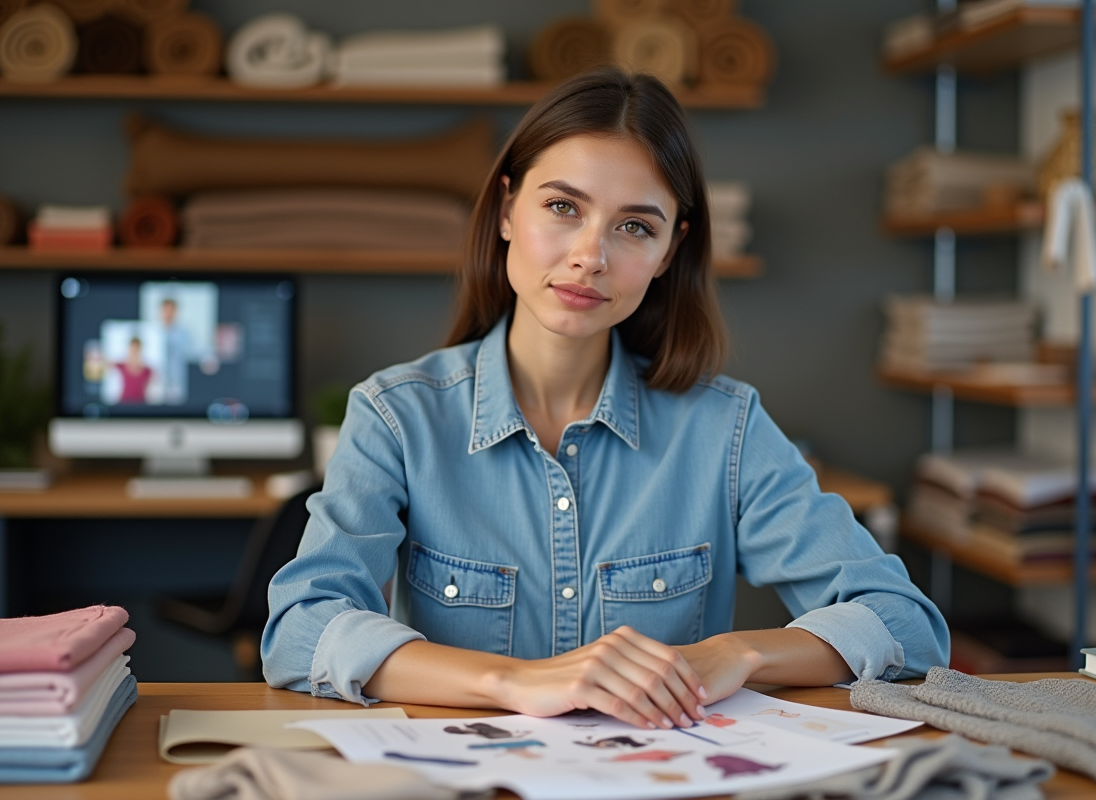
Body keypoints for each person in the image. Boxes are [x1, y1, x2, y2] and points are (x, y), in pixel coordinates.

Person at [262, 68, 948, 731]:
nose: (591, 255)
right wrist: (512, 680)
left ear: (669, 251)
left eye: (635, 227)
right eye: (563, 208)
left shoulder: (726, 426)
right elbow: (299, 631)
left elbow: (904, 624)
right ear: (507, 210)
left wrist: (732, 653)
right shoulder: (395, 416)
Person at [114, 336, 153, 404]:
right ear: (129, 349)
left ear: (140, 349)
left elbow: (149, 392)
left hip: (141, 405)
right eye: (132, 348)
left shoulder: (148, 371)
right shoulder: (121, 365)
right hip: (124, 404)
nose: (134, 351)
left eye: (137, 349)